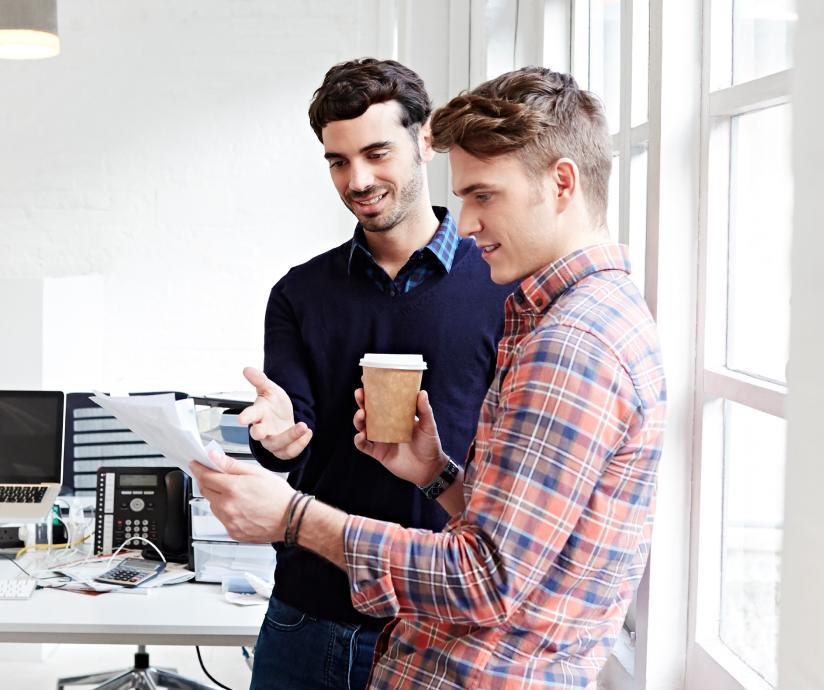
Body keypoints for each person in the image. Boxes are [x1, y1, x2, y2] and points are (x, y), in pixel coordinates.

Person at [192, 66, 666, 689]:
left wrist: (292, 519)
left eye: (484, 195)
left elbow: (485, 579)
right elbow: (519, 535)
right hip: (328, 613)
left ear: (561, 183)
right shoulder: (579, 311)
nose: (468, 222)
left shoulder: (566, 338)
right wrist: (435, 472)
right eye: (338, 161)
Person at [231, 58, 514, 690]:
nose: (357, 179)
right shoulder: (299, 293)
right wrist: (275, 435)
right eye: (338, 161)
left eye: (377, 153)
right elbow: (288, 430)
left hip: (444, 620)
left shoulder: (498, 284)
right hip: (309, 616)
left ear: (425, 140)